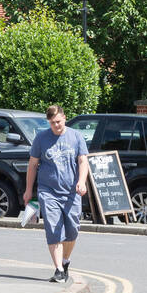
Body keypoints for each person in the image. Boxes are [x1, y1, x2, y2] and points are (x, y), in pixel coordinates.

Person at [22, 104, 89, 283]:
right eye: (52, 123)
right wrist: (28, 190)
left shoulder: (76, 136)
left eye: (58, 121)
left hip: (71, 192)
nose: (56, 125)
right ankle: (59, 269)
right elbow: (32, 165)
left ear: (64, 118)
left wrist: (81, 181)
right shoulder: (41, 138)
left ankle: (65, 260)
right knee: (53, 228)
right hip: (48, 191)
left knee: (72, 230)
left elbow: (83, 161)